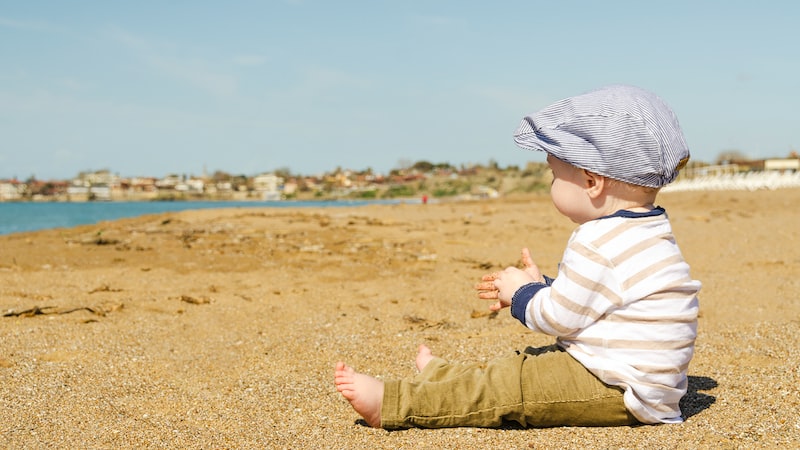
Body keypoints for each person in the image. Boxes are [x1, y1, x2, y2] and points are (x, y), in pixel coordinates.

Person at [334, 85, 701, 429]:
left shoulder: (596, 240)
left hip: (618, 388)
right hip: (646, 384)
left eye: (556, 175)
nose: (551, 184)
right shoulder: (650, 230)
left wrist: (521, 296)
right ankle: (444, 377)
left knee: (512, 385)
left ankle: (395, 403)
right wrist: (543, 286)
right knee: (525, 364)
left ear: (592, 182)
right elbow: (601, 301)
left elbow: (559, 318)